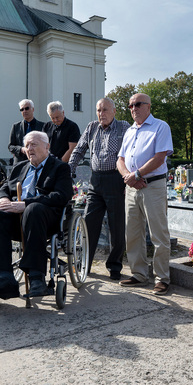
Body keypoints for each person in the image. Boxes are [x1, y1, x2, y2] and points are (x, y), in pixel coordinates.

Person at [0, 131, 74, 299]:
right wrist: (2, 199)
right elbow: (3, 189)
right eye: (27, 145)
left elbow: (61, 196)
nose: (29, 149)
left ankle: (37, 277)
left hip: (44, 220)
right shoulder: (20, 167)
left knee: (33, 209)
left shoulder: (60, 167)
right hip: (16, 220)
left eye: (34, 144)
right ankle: (4, 278)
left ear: (47, 146)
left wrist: (26, 204)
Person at [116, 93, 174, 295]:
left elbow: (160, 157)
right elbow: (120, 159)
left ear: (148, 106)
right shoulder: (130, 131)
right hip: (132, 187)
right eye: (130, 105)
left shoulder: (160, 126)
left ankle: (162, 278)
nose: (134, 108)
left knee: (158, 234)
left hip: (153, 186)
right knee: (132, 233)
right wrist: (129, 177)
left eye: (138, 104)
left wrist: (137, 174)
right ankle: (139, 274)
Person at [69, 97, 131, 279]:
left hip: (116, 179)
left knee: (116, 226)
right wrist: (69, 170)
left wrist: (128, 179)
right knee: (89, 223)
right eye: (98, 110)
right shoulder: (91, 127)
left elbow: (132, 153)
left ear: (114, 111)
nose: (101, 114)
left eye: (105, 110)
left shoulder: (124, 127)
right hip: (95, 181)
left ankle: (114, 266)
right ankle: (85, 263)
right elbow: (79, 150)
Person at [8, 99, 44, 164]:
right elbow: (10, 146)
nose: (24, 111)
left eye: (27, 108)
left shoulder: (42, 126)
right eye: (22, 109)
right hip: (20, 163)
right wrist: (21, 149)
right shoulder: (16, 126)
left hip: (38, 162)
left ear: (33, 109)